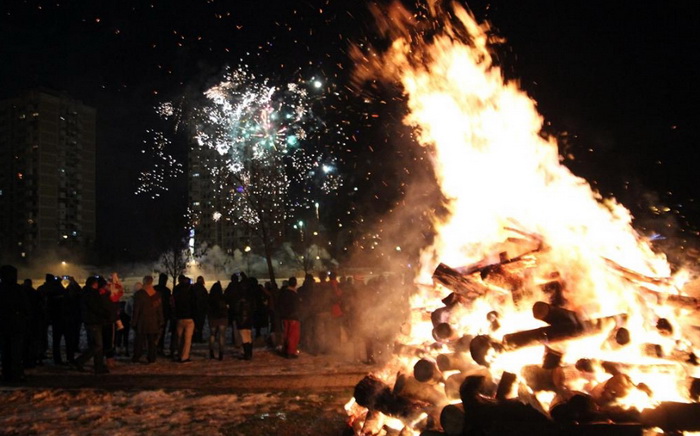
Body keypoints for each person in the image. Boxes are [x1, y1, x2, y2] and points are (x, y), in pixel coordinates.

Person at [73, 276, 111, 374]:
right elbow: (95, 307)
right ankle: (80, 361)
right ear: (94, 284)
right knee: (97, 345)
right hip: (93, 321)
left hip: (92, 321)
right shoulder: (91, 293)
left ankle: (98, 367)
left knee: (98, 345)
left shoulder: (86, 292)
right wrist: (106, 313)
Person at [0, 264, 31, 383]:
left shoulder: (2, 288)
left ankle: (6, 375)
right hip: (16, 326)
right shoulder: (18, 290)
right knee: (16, 352)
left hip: (4, 325)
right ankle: (16, 375)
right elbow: (26, 308)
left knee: (5, 352)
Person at [131, 276, 164, 364]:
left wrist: (134, 322)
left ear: (144, 282)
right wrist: (161, 320)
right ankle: (151, 358)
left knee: (139, 341)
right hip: (153, 321)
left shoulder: (139, 294)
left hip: (142, 321)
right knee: (152, 341)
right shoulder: (157, 295)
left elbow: (136, 309)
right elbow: (159, 309)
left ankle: (136, 357)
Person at [172, 275, 195, 363]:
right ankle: (185, 356)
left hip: (179, 317)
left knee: (179, 337)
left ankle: (179, 353)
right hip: (189, 317)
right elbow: (194, 304)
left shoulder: (176, 290)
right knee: (187, 339)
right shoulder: (191, 291)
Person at [278, 276, 301, 359]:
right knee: (293, 335)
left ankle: (285, 349)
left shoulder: (283, 293)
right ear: (295, 284)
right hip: (293, 316)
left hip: (284, 316)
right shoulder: (294, 294)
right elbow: (297, 306)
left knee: (286, 334)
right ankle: (291, 352)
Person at [154, 273, 174, 357]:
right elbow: (169, 304)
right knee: (162, 332)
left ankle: (154, 348)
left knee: (154, 332)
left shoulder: (154, 289)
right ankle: (159, 348)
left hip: (155, 314)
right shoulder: (167, 291)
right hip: (164, 314)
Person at [235, 277, 255, 360]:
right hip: (249, 319)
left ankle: (247, 354)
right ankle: (249, 353)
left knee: (244, 337)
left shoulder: (239, 299)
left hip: (242, 319)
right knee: (248, 336)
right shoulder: (251, 297)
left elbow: (237, 309)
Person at [207, 281, 228, 360]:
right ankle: (221, 353)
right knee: (222, 335)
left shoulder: (210, 297)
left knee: (212, 335)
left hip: (213, 317)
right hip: (222, 317)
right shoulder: (223, 297)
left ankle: (211, 351)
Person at [192, 276, 208, 343]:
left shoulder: (193, 288)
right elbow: (206, 299)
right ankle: (199, 338)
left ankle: (194, 338)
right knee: (200, 325)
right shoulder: (202, 289)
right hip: (201, 310)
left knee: (195, 325)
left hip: (194, 309)